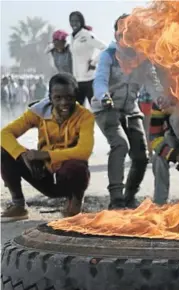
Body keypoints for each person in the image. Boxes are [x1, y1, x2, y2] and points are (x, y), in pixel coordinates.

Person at [92, 14, 163, 209]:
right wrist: (103, 96)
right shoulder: (108, 55)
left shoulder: (144, 59)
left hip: (131, 109)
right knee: (120, 144)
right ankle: (116, 199)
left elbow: (153, 84)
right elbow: (99, 81)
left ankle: (129, 196)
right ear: (117, 35)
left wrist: (162, 98)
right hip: (107, 108)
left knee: (141, 155)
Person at [0, 73, 94, 222]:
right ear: (50, 98)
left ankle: (75, 202)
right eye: (58, 98)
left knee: (78, 166)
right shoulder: (38, 112)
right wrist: (22, 155)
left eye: (69, 97)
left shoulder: (85, 116)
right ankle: (18, 205)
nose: (64, 102)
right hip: (42, 174)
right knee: (4, 151)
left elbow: (84, 151)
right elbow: (4, 134)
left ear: (76, 96)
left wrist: (45, 155)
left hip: (68, 176)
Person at [69, 11, 106, 106]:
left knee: (96, 108)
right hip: (77, 81)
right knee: (77, 111)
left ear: (81, 22)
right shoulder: (72, 37)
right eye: (72, 21)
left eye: (77, 21)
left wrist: (94, 62)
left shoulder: (87, 35)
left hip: (89, 79)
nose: (74, 23)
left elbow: (104, 48)